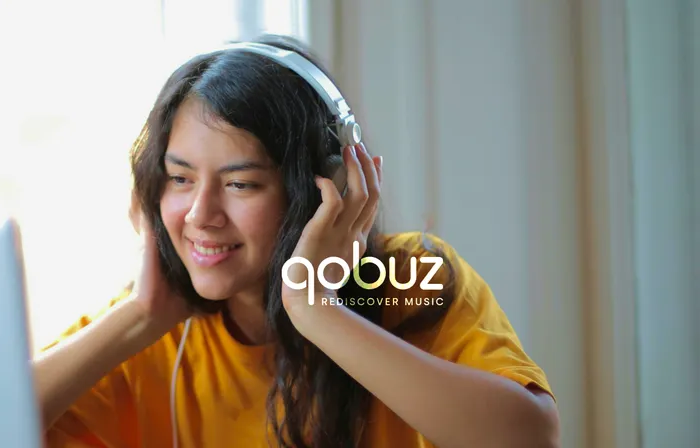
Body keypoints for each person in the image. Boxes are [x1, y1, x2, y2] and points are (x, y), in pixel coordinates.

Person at [33, 34, 560, 448]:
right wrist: (140, 317)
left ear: (322, 188)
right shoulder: (155, 326)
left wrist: (315, 308)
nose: (200, 214)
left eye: (240, 184)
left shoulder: (408, 276)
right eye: (179, 178)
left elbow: (529, 438)